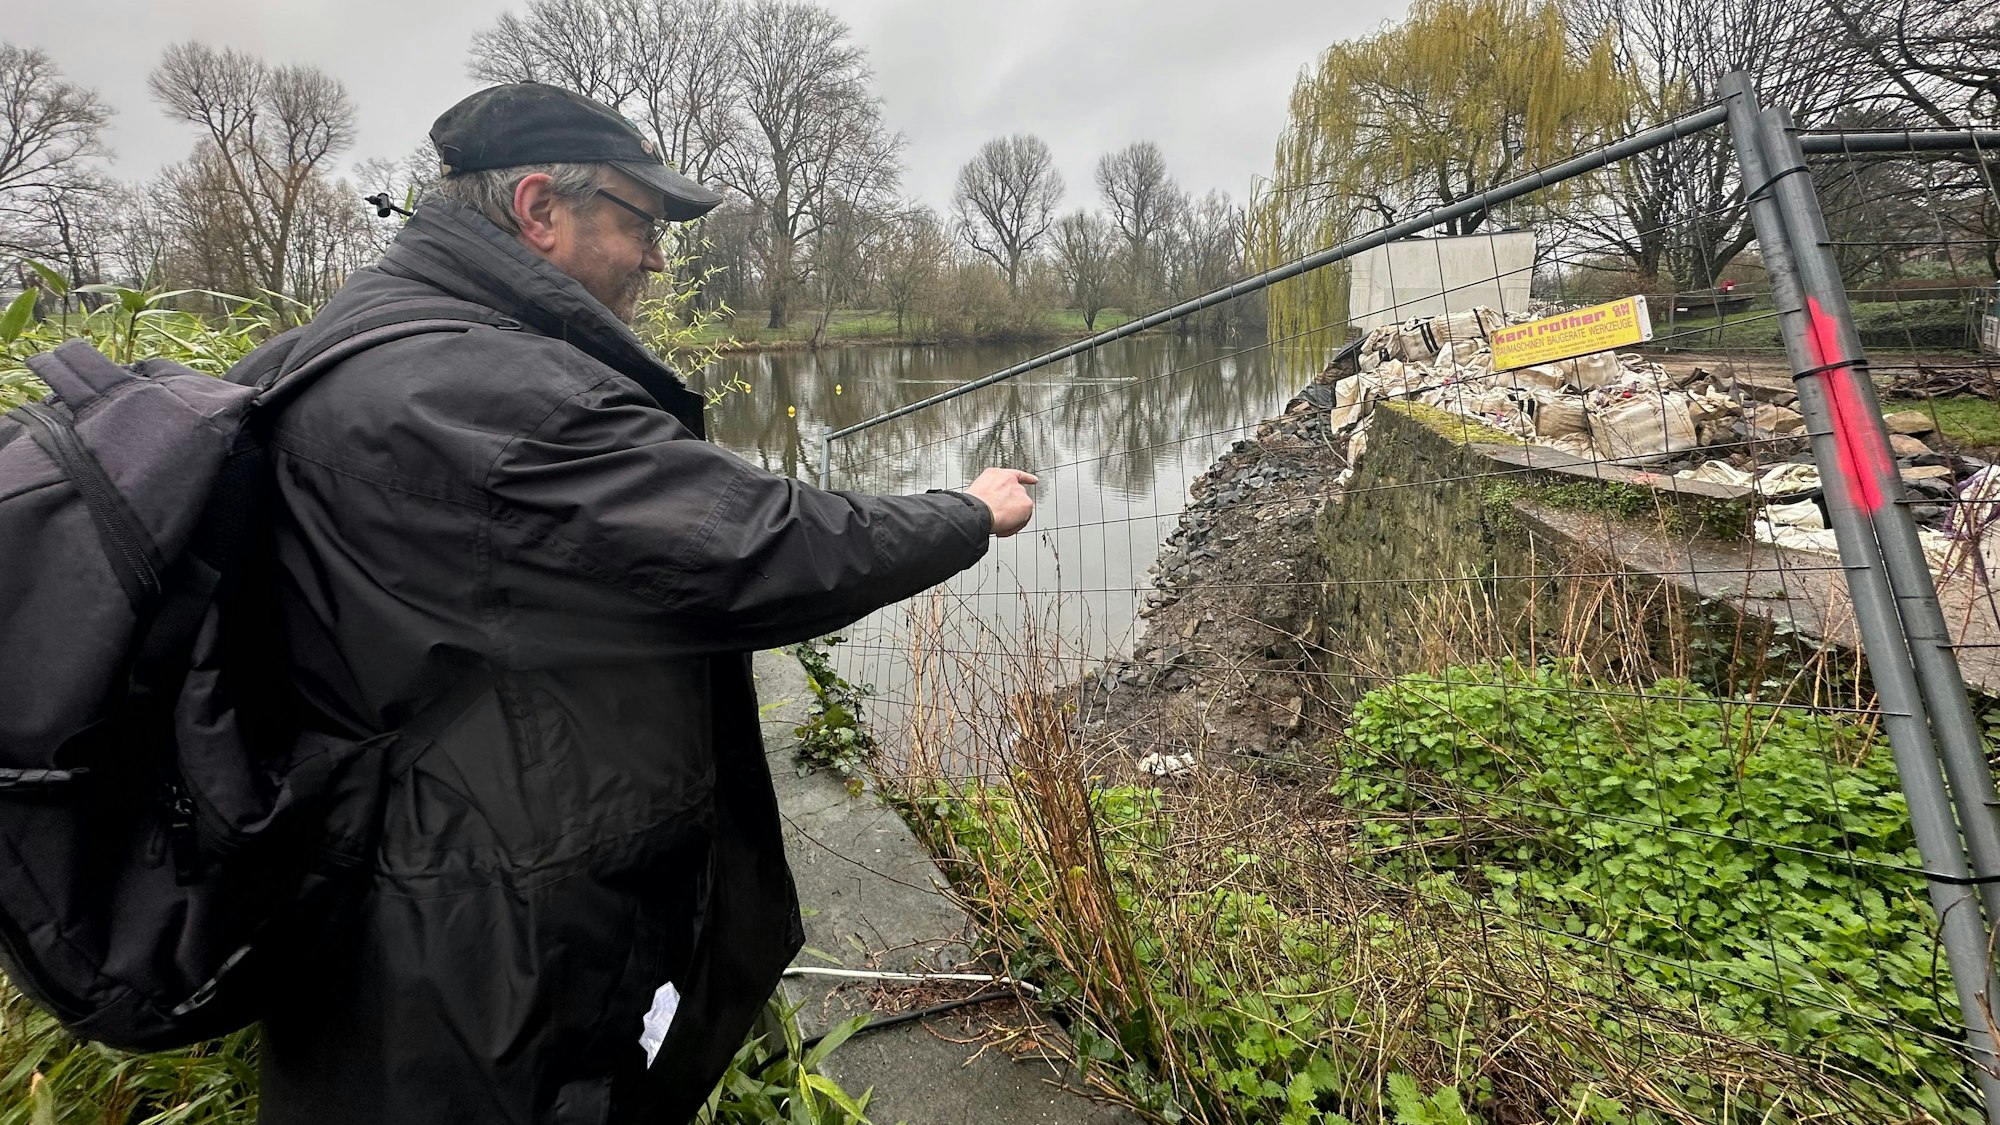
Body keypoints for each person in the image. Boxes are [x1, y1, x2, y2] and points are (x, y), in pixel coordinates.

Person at [249, 82, 1035, 1125]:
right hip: (486, 949)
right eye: (639, 223)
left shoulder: (364, 335)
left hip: (375, 894)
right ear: (539, 208)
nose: (657, 257)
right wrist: (967, 512)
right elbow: (758, 549)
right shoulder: (494, 396)